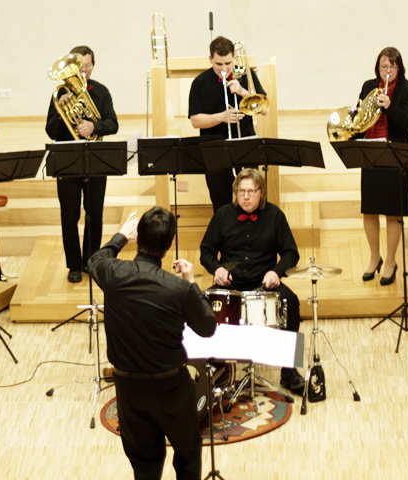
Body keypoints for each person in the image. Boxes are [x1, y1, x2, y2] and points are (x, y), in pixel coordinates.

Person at [89, 208, 216, 480]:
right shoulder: (179, 289)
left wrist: (120, 236)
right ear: (169, 245)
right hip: (170, 386)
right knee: (188, 453)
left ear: (138, 238)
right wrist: (191, 282)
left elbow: (95, 259)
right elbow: (207, 327)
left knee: (144, 464)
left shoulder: (113, 274)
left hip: (128, 388)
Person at [198, 168, 304, 392]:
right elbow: (206, 251)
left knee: (292, 302)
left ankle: (289, 370)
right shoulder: (222, 216)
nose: (245, 197)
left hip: (264, 283)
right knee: (203, 304)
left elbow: (291, 253)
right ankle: (215, 367)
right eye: (241, 191)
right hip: (231, 284)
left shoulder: (275, 216)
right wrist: (217, 269)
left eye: (251, 192)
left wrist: (276, 272)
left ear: (261, 193)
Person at [45, 45, 118, 283]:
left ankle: (90, 260)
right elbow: (51, 131)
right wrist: (60, 110)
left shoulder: (101, 92)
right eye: (79, 67)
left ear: (93, 66)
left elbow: (113, 124)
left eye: (87, 65)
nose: (83, 70)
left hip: (95, 159)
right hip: (68, 162)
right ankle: (74, 265)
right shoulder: (59, 94)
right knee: (69, 215)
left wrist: (94, 126)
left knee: (94, 213)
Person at [350, 47, 408, 286]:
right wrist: (352, 121)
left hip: (397, 155)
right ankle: (374, 257)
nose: (387, 70)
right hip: (372, 151)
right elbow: (360, 115)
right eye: (383, 66)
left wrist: (390, 106)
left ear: (399, 68)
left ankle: (390, 261)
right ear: (377, 67)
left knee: (393, 212)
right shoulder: (369, 86)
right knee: (369, 210)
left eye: (392, 66)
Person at [188, 36, 267, 210]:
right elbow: (195, 121)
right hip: (215, 150)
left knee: (251, 202)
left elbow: (265, 110)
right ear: (210, 59)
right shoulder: (199, 83)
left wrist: (242, 91)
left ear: (234, 58)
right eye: (218, 64)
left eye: (228, 63)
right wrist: (221, 117)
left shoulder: (246, 74)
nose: (224, 69)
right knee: (221, 204)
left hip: (245, 145)